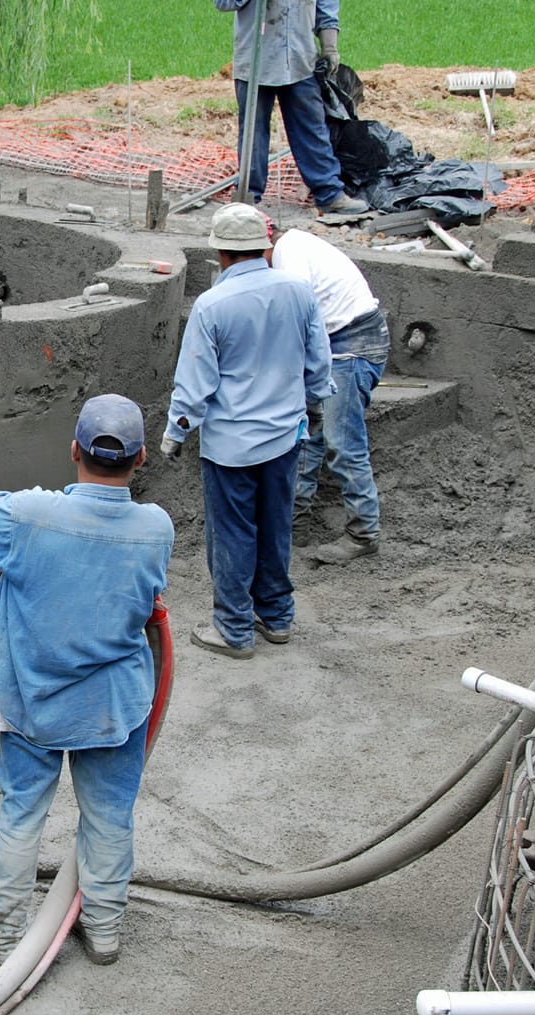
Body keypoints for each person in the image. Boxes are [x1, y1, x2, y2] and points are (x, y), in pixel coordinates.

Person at [0, 394, 174, 969]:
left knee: (21, 812)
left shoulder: (26, 518)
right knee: (109, 816)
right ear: (141, 459)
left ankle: (3, 936)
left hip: (33, 699)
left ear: (74, 449)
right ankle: (103, 931)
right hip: (113, 707)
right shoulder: (156, 528)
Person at [160, 203, 331, 658]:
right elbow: (318, 363)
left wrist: (176, 431)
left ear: (220, 253)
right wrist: (313, 403)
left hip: (231, 446)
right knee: (275, 525)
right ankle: (276, 617)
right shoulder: (299, 292)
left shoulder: (212, 305)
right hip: (284, 438)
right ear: (263, 246)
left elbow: (195, 381)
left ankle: (234, 628)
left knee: (233, 532)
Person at [270, 223, 391, 563]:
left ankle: (363, 534)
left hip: (353, 344)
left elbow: (299, 320)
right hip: (335, 339)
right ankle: (295, 527)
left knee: (343, 440)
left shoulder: (288, 255)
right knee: (308, 430)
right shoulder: (288, 250)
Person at [214, 0, 369, 215]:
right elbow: (223, 3)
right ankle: (248, 197)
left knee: (312, 128)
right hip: (255, 60)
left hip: (300, 59)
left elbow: (326, 4)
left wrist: (329, 45)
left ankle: (329, 194)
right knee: (253, 134)